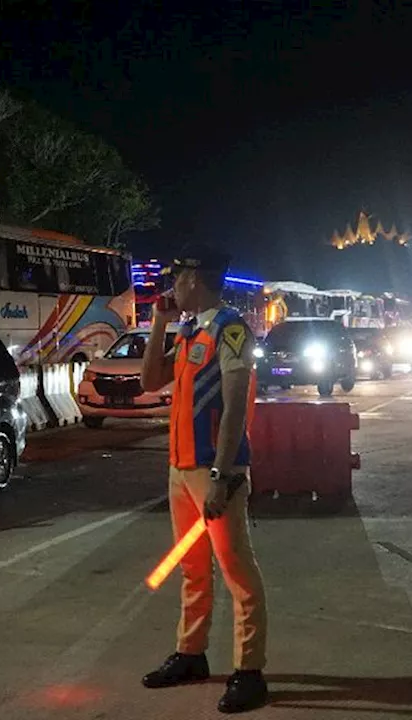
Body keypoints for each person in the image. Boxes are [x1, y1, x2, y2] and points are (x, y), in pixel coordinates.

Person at [139, 246, 268, 713]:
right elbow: (149, 382)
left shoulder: (230, 329)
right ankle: (191, 654)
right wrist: (158, 322)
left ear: (194, 278)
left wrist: (222, 474)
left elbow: (235, 407)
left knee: (238, 572)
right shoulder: (191, 329)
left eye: (176, 278)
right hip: (180, 469)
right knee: (193, 570)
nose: (172, 287)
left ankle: (250, 671)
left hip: (217, 473)